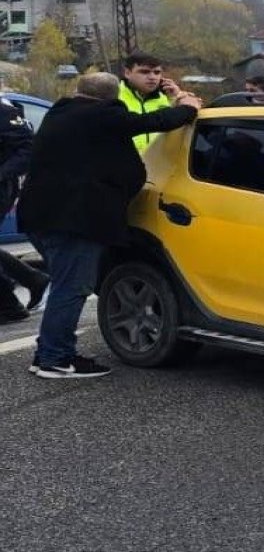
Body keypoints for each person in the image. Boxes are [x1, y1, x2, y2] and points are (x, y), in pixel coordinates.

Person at [18, 73, 202, 378]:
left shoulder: (61, 112)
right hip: (75, 221)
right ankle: (56, 359)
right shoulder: (104, 114)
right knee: (71, 289)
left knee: (65, 286)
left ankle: (47, 353)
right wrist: (187, 107)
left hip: (41, 217)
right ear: (112, 98)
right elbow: (151, 123)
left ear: (78, 91)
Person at [0, 98, 49, 322]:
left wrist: (3, 173)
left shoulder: (4, 110)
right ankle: (29, 280)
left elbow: (27, 149)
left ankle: (10, 303)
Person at [118, 52, 182, 152]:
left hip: (160, 163)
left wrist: (177, 98)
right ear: (127, 73)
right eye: (144, 72)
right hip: (124, 163)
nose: (152, 77)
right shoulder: (113, 96)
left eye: (157, 72)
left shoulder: (166, 97)